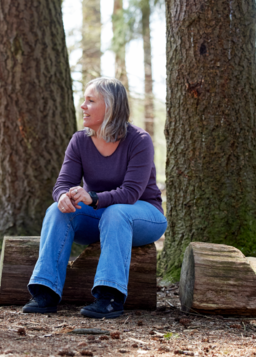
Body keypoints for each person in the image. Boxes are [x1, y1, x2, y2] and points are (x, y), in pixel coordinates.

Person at [23, 78, 167, 319]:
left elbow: (131, 193)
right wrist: (63, 197)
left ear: (109, 107)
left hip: (143, 216)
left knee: (116, 212)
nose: (83, 106)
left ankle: (110, 296)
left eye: (90, 101)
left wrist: (91, 197)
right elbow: (62, 184)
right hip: (99, 217)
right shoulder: (80, 140)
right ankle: (45, 291)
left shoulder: (139, 140)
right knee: (55, 210)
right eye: (84, 100)